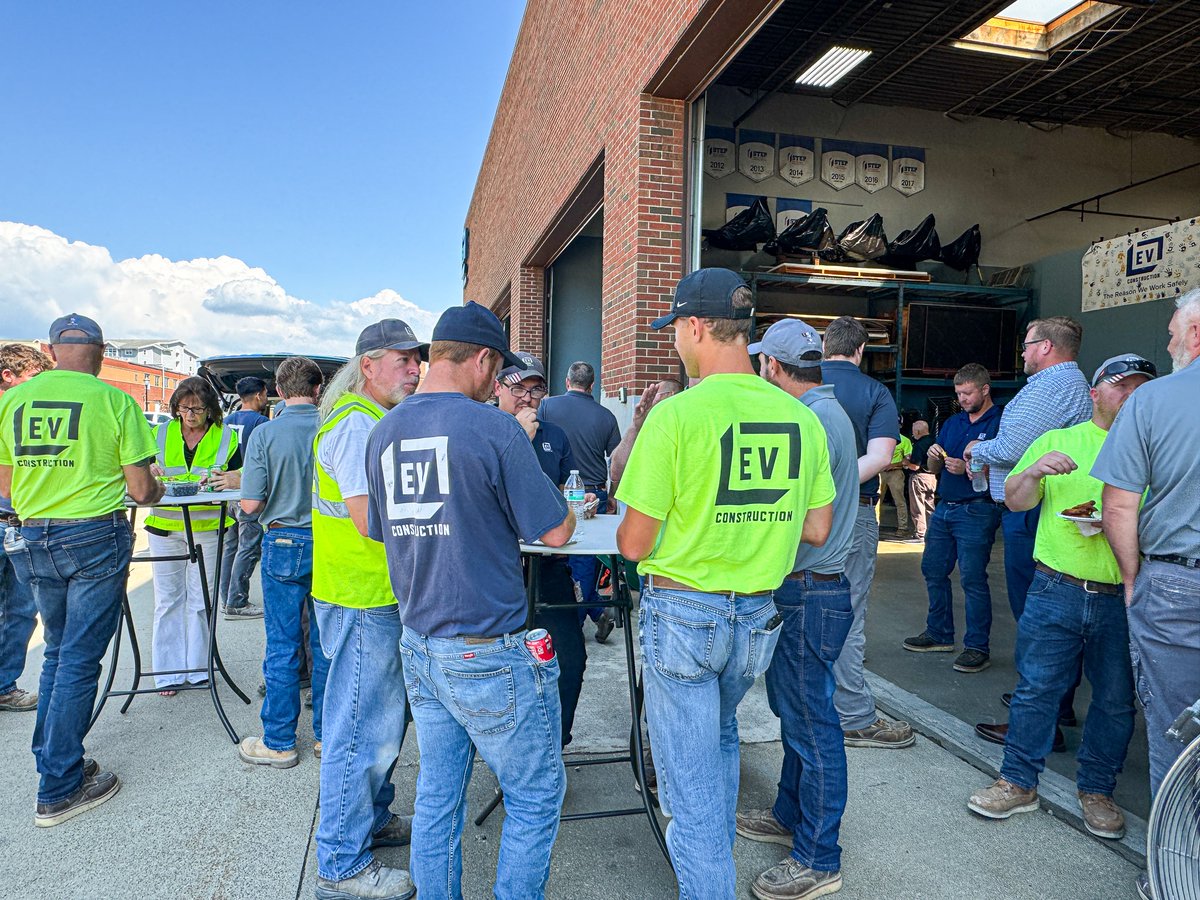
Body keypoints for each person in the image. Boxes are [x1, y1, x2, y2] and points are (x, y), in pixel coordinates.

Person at [616, 269, 835, 900]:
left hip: (683, 615)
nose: (673, 343)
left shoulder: (676, 416)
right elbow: (817, 527)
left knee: (688, 794)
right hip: (757, 617)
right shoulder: (801, 418)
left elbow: (633, 544)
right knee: (717, 735)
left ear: (694, 327)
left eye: (674, 331)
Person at [365, 302, 575, 900]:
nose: (498, 383)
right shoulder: (494, 429)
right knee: (535, 795)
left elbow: (380, 530)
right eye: (498, 370)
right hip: (488, 647)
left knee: (438, 795)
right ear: (482, 359)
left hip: (420, 642)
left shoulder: (384, 431)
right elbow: (555, 531)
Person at [968, 354, 1155, 848]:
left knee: (1115, 700)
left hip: (1123, 595)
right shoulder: (1059, 440)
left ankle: (1097, 791)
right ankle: (1017, 781)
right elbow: (1015, 500)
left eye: (1141, 388)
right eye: (1121, 386)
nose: (1131, 396)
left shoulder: (1158, 448)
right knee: (1036, 688)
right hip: (1056, 587)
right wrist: (1033, 472)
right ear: (1095, 394)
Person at [0, 314, 163, 827]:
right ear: (101, 352)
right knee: (78, 659)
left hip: (34, 536)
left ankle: (54, 758)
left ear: (51, 351)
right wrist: (158, 487)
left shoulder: (13, 400)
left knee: (57, 652)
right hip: (93, 534)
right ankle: (59, 786)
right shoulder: (115, 400)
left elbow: (5, 486)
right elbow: (141, 490)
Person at [734, 319, 858, 900]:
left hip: (809, 589)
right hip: (814, 588)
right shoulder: (825, 413)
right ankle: (789, 814)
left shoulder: (810, 422)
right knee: (798, 713)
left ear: (774, 367)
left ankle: (818, 858)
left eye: (762, 363)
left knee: (812, 723)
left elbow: (801, 519)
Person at [312, 319, 425, 900]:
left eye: (417, 360)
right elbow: (367, 520)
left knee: (380, 724)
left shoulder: (368, 418)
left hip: (366, 594)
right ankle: (340, 865)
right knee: (361, 733)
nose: (415, 369)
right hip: (362, 597)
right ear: (368, 366)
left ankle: (373, 820)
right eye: (403, 360)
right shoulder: (358, 424)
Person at [1092, 293, 1200, 900]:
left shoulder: (1154, 400)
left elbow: (1118, 504)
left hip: (1177, 584)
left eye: (1172, 334)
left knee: (1177, 731)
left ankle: (1177, 875)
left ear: (1197, 333)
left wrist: (1133, 576)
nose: (1169, 345)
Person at [965, 317, 1092, 745]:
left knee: (1037, 617)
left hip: (1032, 509)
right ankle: (1051, 703)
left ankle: (1037, 722)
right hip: (1039, 507)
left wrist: (976, 448)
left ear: (1046, 347)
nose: (1021, 352)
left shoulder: (1051, 387)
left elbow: (1013, 448)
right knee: (1047, 613)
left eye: (1026, 344)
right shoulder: (1064, 385)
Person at [819, 316, 912, 749]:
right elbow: (879, 458)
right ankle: (853, 715)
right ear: (860, 351)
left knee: (792, 601)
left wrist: (810, 489)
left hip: (794, 512)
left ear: (826, 346)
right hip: (853, 510)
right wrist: (834, 486)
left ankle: (805, 704)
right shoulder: (875, 392)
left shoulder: (799, 385)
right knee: (849, 611)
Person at [494, 351, 593, 747]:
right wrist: (519, 438)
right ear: (498, 388)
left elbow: (567, 488)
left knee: (569, 658)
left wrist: (581, 500)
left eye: (536, 390)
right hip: (500, 569)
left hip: (549, 564)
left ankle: (554, 742)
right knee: (507, 665)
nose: (528, 398)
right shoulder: (486, 429)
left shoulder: (555, 435)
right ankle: (511, 748)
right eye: (519, 388)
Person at [236, 357, 329, 769]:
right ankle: (327, 736)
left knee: (282, 645)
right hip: (328, 541)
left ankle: (278, 741)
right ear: (318, 388)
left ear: (277, 390)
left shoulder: (266, 434)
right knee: (326, 645)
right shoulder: (331, 427)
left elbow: (251, 503)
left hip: (284, 540)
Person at [903, 365, 1003, 673]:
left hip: (977, 507)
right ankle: (939, 633)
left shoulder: (1001, 421)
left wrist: (971, 469)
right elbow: (933, 470)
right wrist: (934, 457)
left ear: (985, 390)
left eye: (967, 393)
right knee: (933, 569)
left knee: (972, 578)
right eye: (958, 394)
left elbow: (1009, 465)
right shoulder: (953, 422)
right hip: (945, 505)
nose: (962, 399)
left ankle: (977, 646)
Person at [144, 377, 241, 696]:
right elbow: (139, 468)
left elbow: (244, 474)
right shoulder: (159, 433)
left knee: (201, 601)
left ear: (210, 409)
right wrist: (149, 470)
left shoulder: (226, 437)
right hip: (165, 527)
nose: (190, 415)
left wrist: (233, 478)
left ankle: (198, 669)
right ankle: (168, 674)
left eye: (198, 409)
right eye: (184, 408)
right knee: (167, 601)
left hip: (208, 528)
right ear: (175, 407)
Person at [539, 360, 622, 640]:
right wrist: (612, 495)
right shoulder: (606, 416)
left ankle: (574, 623)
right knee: (585, 562)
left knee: (559, 560)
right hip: (593, 495)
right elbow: (616, 461)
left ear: (567, 382)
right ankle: (593, 612)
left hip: (555, 493)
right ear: (593, 385)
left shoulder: (547, 406)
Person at [0, 344, 53, 713]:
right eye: (34, 377)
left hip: (19, 525)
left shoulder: (29, 414)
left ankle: (4, 686)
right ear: (8, 376)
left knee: (20, 612)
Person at [222, 375, 271, 620]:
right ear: (259, 394)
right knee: (248, 547)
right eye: (266, 394)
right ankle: (237, 601)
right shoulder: (262, 423)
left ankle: (226, 597)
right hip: (249, 491)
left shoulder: (226, 422)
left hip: (227, 493)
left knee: (230, 546)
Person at [904, 419, 936, 544]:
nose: (912, 433)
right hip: (932, 477)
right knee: (930, 506)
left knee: (917, 506)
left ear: (917, 431)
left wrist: (906, 462)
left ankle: (920, 534)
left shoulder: (918, 445)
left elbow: (915, 466)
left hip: (919, 478)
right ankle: (931, 532)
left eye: (913, 431)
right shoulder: (934, 441)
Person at [877, 426, 912, 537]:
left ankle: (903, 527)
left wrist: (893, 465)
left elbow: (908, 460)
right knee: (876, 500)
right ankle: (874, 525)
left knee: (899, 500)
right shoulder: (881, 439)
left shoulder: (905, 440)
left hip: (896, 472)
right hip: (881, 471)